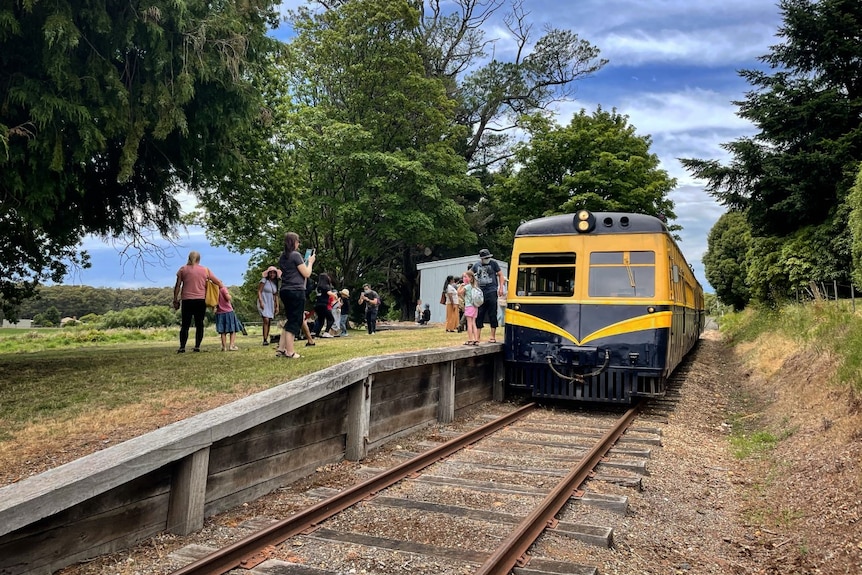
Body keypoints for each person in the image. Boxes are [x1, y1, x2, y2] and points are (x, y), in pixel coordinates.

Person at [173, 251, 223, 353]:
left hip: (186, 300)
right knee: (199, 324)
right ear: (199, 259)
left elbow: (177, 286)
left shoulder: (183, 269)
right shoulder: (205, 270)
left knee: (185, 325)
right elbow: (217, 282)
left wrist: (175, 299)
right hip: (200, 300)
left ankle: (182, 347)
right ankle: (197, 346)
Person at [275, 232, 316, 359]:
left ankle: (281, 349)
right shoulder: (296, 255)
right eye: (298, 241)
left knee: (290, 319)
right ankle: (290, 351)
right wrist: (310, 262)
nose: (299, 244)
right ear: (294, 242)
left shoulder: (283, 257)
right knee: (296, 321)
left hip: (285, 290)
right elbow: (306, 273)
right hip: (296, 291)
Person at [471, 248, 506, 343]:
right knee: (480, 314)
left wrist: (501, 287)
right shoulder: (476, 265)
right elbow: (470, 275)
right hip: (481, 293)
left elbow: (500, 274)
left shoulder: (493, 263)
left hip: (492, 291)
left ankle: (492, 336)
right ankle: (477, 337)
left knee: (492, 313)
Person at [215, 285, 243, 351]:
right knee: (232, 330)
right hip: (228, 312)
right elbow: (228, 298)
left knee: (222, 331)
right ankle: (231, 346)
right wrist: (230, 296)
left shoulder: (215, 291)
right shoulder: (223, 289)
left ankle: (224, 347)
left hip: (219, 313)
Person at [257, 266, 280, 346]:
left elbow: (276, 295)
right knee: (265, 319)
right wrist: (261, 301)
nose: (272, 274)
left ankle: (266, 338)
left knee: (269, 320)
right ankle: (264, 339)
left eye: (274, 273)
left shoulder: (275, 283)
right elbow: (259, 291)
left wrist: (277, 306)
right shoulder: (264, 281)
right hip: (264, 300)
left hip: (271, 302)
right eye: (271, 272)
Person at [458, 269, 480, 345]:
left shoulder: (467, 286)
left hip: (469, 306)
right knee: (474, 323)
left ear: (470, 278)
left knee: (469, 323)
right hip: (475, 306)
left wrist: (461, 285)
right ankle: (476, 339)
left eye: (465, 277)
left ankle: (470, 339)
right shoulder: (474, 286)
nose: (464, 278)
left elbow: (458, 293)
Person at [312, 272, 338, 338]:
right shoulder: (326, 286)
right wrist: (335, 295)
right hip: (324, 305)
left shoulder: (318, 287)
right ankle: (326, 332)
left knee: (321, 320)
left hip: (317, 305)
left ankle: (316, 334)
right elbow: (329, 293)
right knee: (331, 319)